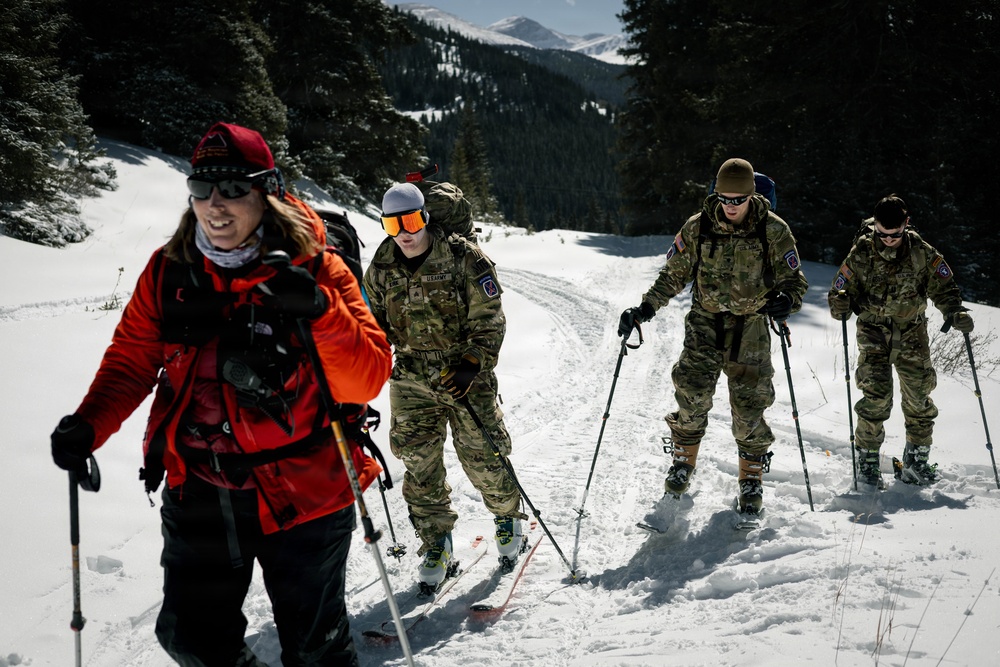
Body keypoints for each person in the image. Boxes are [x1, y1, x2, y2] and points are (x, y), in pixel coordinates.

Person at [50, 122, 392, 666]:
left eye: (234, 187)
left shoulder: (317, 267)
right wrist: (90, 424)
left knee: (317, 650)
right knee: (193, 641)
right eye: (203, 187)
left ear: (267, 191)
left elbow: (367, 377)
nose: (216, 204)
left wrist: (322, 313)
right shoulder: (170, 271)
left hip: (306, 490)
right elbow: (133, 359)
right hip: (201, 487)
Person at [618, 158, 809, 516]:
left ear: (752, 195)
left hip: (751, 327)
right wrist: (644, 308)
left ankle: (751, 477)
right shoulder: (698, 227)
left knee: (750, 406)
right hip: (705, 323)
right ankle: (682, 463)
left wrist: (787, 301)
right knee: (691, 395)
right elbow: (673, 275)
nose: (731, 206)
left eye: (738, 199)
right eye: (724, 198)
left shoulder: (774, 230)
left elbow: (794, 280)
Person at [363, 182, 527, 590]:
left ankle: (508, 519)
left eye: (413, 220)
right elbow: (371, 324)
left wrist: (472, 363)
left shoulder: (462, 257)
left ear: (426, 217)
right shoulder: (382, 265)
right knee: (419, 463)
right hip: (411, 376)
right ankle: (436, 542)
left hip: (464, 374)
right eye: (393, 224)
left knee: (484, 455)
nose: (405, 232)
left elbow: (491, 319)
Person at [828, 194, 972, 488]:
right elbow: (838, 291)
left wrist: (955, 312)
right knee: (876, 398)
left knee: (919, 396)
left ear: (905, 225)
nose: (887, 239)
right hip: (872, 331)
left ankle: (916, 461)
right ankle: (867, 462)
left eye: (894, 234)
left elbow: (944, 289)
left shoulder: (921, 252)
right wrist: (840, 306)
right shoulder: (861, 252)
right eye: (881, 233)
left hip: (912, 332)